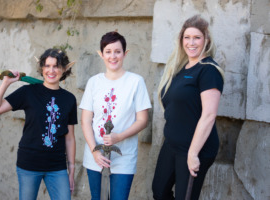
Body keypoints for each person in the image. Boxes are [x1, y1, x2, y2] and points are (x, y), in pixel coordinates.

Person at [0, 48, 77, 200]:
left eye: (56, 66)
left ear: (64, 70)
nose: (51, 70)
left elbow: (70, 137)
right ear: (42, 68)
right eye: (47, 66)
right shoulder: (28, 92)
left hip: (57, 166)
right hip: (29, 163)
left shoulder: (69, 99)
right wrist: (6, 83)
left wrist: (71, 170)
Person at [152, 15, 225, 200]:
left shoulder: (208, 70)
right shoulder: (181, 68)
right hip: (172, 144)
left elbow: (209, 115)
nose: (191, 42)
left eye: (196, 38)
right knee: (159, 192)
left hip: (195, 148)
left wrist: (193, 154)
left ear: (206, 40)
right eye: (187, 37)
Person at [79, 31, 152, 200]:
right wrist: (94, 151)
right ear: (101, 54)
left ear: (125, 54)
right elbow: (85, 121)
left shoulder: (136, 82)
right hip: (95, 155)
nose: (113, 56)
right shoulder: (94, 82)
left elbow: (142, 120)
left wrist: (119, 136)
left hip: (124, 155)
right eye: (108, 51)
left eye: (117, 51)